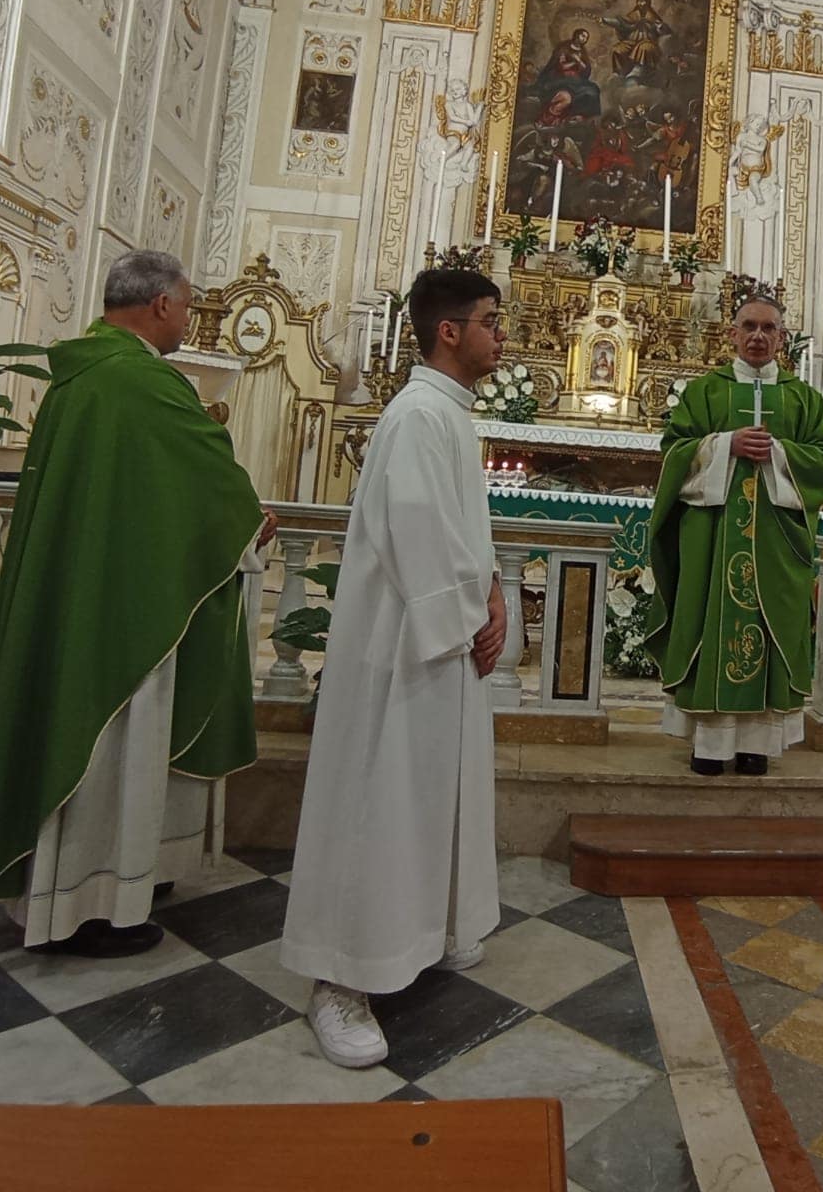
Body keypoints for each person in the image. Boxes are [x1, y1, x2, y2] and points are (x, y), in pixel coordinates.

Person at [0, 250, 272, 956]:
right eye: (187, 305)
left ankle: (102, 880)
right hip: (123, 604)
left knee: (86, 729)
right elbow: (208, 470)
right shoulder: (141, 381)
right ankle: (90, 904)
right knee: (110, 737)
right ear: (159, 304)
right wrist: (250, 518)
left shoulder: (82, 371)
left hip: (92, 588)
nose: (188, 318)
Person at [281, 268, 508, 1069]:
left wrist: (494, 592)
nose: (499, 335)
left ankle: (417, 931)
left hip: (440, 638)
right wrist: (467, 614)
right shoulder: (417, 417)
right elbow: (415, 531)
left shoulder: (443, 412)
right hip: (407, 644)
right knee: (376, 800)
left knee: (420, 799)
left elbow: (458, 529)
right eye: (488, 321)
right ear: (449, 331)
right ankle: (338, 981)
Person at [644, 291, 823, 775]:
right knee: (706, 623)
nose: (757, 336)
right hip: (711, 537)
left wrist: (777, 453)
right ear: (730, 334)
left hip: (776, 541)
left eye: (767, 328)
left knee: (775, 631)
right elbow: (672, 451)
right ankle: (708, 745)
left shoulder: (802, 398)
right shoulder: (704, 392)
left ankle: (757, 744)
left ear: (782, 338)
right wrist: (723, 445)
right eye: (748, 326)